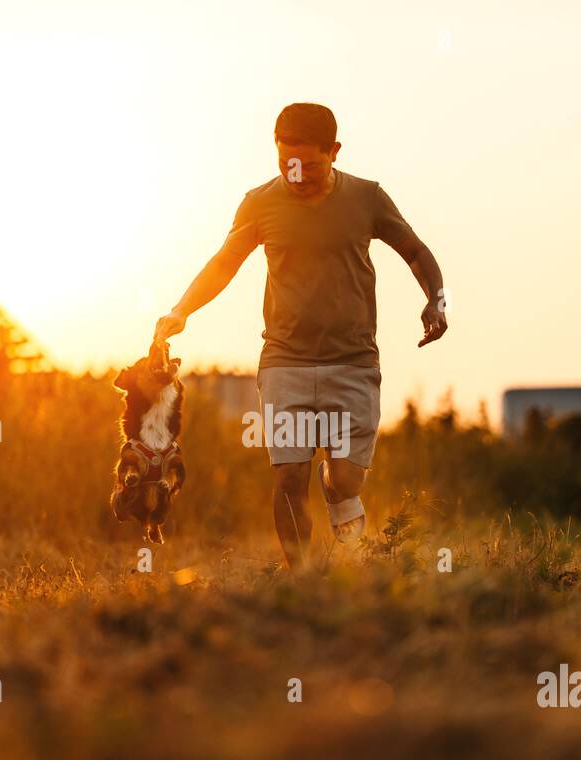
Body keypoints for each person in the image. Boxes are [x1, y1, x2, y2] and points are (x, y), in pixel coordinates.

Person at [154, 103, 448, 568]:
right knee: (290, 476)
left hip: (352, 363)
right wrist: (180, 311)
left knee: (345, 482)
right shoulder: (259, 203)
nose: (297, 174)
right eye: (286, 162)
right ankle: (305, 583)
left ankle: (344, 528)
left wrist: (436, 298)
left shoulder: (366, 197)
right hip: (285, 363)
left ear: (334, 151)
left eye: (309, 164)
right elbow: (224, 263)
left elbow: (414, 250)